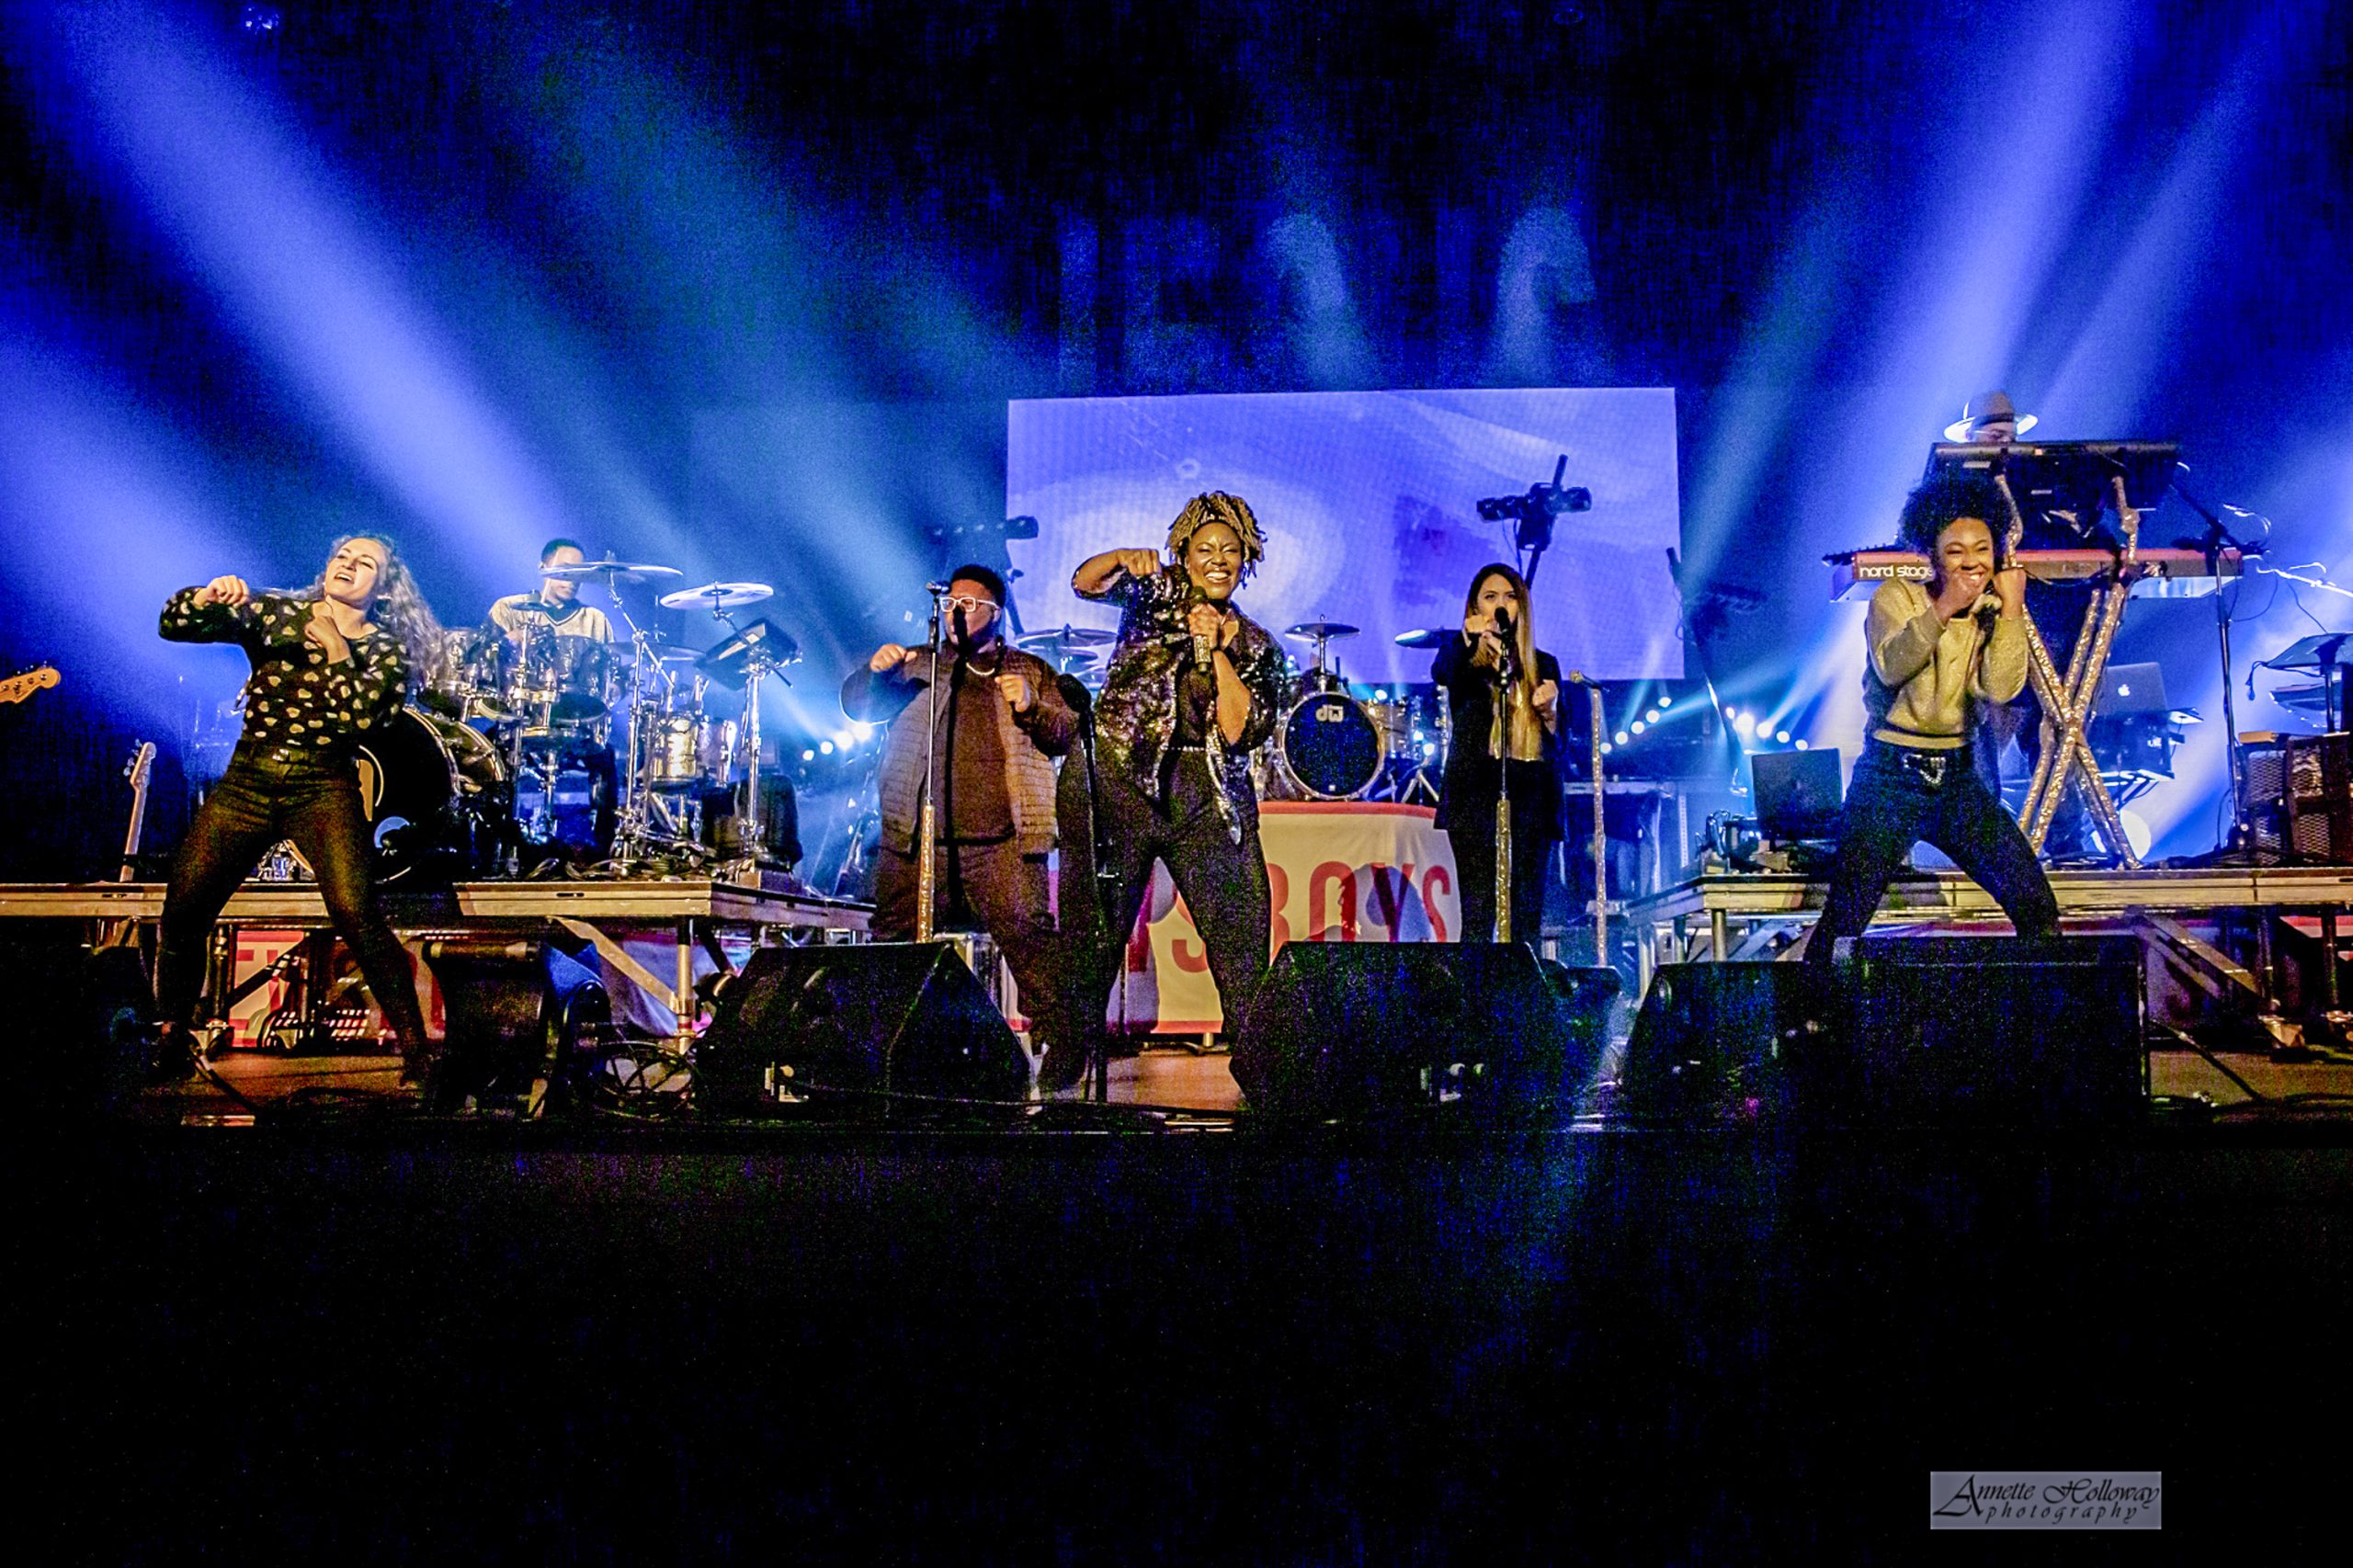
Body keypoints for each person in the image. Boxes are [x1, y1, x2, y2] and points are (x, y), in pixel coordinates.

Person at [152, 535, 444, 1085]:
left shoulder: (384, 650)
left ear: (383, 589)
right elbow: (173, 624)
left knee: (355, 912)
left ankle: (417, 1052)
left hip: (322, 784)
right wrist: (208, 596)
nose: (348, 566)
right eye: (342, 557)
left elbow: (364, 720)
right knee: (185, 908)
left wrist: (336, 648)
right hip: (249, 780)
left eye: (365, 564)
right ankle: (171, 1036)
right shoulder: (278, 613)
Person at [840, 565, 1085, 1088]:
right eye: (951, 601)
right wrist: (875, 674)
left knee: (1033, 945)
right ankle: (880, 1061)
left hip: (1002, 844)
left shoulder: (1029, 669)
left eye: (970, 604)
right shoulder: (917, 664)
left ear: (996, 614)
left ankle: (1063, 1057)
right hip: (915, 838)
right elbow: (858, 709)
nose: (956, 610)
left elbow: (1067, 732)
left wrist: (1032, 706)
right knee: (892, 946)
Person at [1070, 494, 1293, 1064]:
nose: (1218, 560)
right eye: (1205, 549)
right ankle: (1066, 1070)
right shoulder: (1156, 593)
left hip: (1207, 792)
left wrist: (1216, 651)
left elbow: (1240, 731)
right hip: (1123, 776)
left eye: (1230, 551)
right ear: (1185, 556)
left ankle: (1259, 1073)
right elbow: (1085, 584)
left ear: (1246, 560)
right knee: (1094, 939)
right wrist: (1121, 556)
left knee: (1242, 937)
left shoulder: (1258, 645)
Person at [1804, 472, 2061, 967]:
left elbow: (2001, 688)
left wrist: (2012, 611)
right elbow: (1893, 665)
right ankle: (1808, 1013)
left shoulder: (1993, 610)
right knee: (1844, 921)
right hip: (1890, 779)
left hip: (1958, 779)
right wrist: (1945, 608)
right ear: (1933, 555)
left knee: (2037, 907)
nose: (1972, 562)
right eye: (1956, 551)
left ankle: (2033, 1012)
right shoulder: (1896, 597)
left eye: (1982, 549)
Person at [1432, 563, 1563, 946]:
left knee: (1525, 917)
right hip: (1476, 794)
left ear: (1521, 606)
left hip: (1530, 794)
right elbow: (1442, 671)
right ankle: (1474, 985)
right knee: (1477, 913)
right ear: (1475, 607)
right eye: (1490, 597)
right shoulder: (1464, 658)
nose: (1501, 605)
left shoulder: (1544, 664)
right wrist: (1467, 638)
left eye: (1510, 597)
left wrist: (1550, 713)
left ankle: (1521, 983)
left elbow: (1561, 747)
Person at [487, 538, 614, 645]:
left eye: (578, 572)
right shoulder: (508, 608)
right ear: (543, 568)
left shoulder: (595, 620)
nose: (572, 579)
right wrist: (507, 641)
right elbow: (484, 656)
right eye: (565, 569)